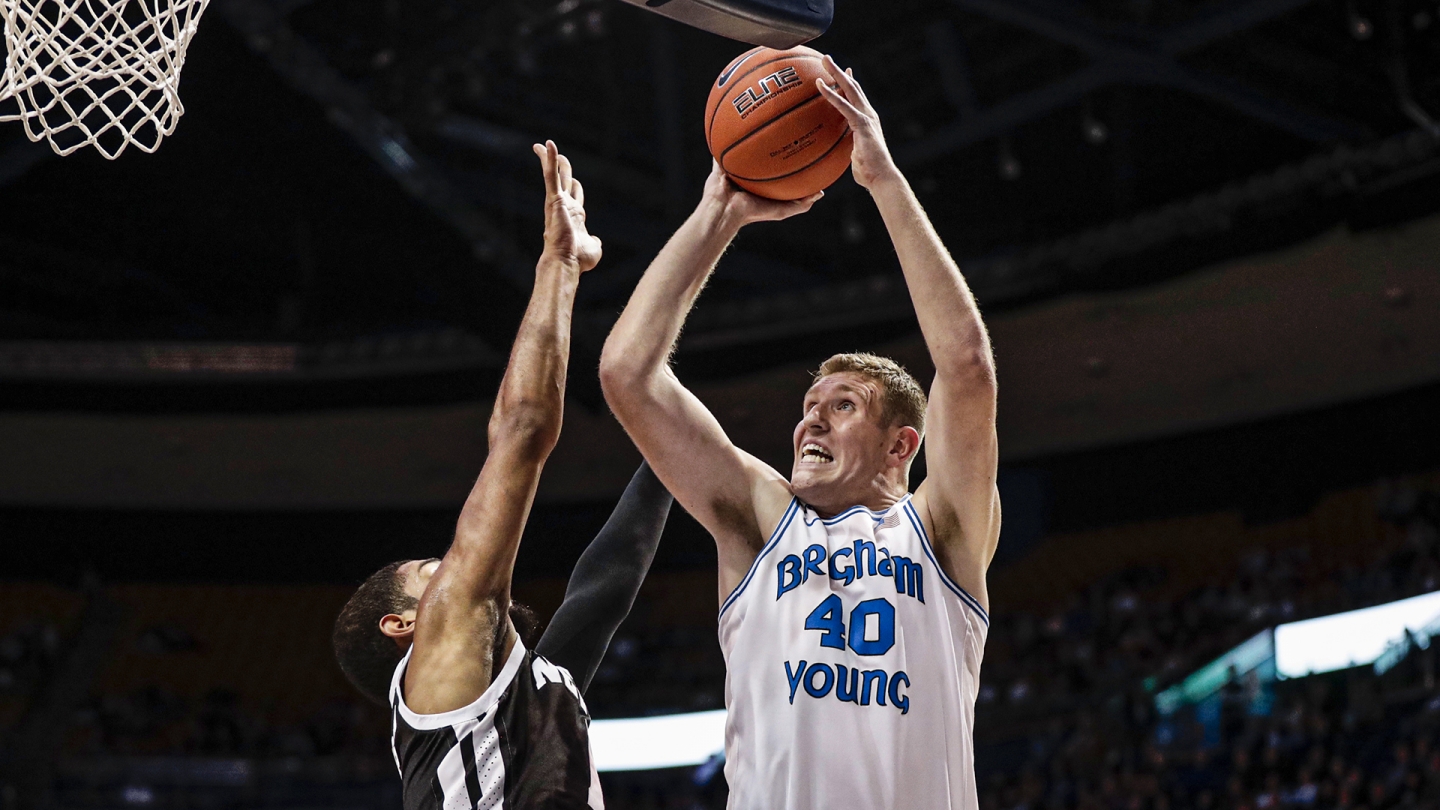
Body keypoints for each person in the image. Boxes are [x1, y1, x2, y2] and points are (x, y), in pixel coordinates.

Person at [599, 56, 999, 809]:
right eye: (810, 404)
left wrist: (881, 179)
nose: (810, 417)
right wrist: (717, 214)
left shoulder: (942, 531)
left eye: (842, 405)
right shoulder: (761, 517)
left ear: (901, 445)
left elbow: (968, 366)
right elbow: (627, 373)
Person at [331, 141, 674, 810]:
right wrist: (560, 265)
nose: (458, 566)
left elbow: (608, 581)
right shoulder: (442, 666)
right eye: (434, 569)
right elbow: (519, 433)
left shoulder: (527, 694)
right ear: (404, 627)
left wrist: (675, 443)